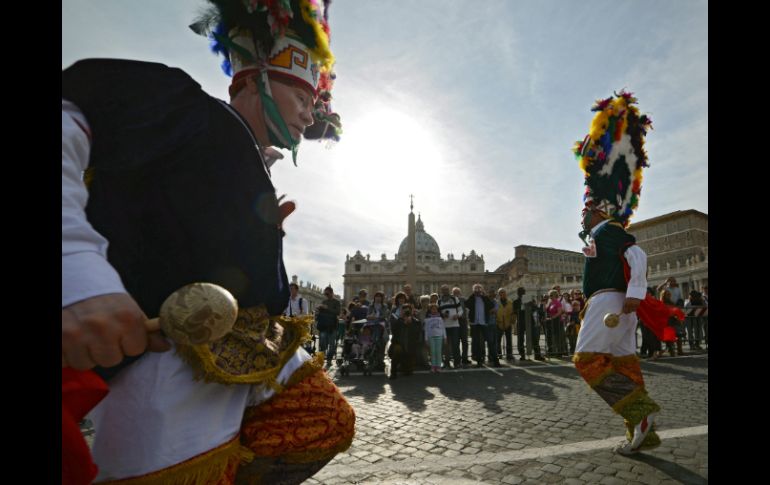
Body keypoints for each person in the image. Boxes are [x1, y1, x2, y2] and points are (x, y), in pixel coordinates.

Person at [62, 1, 352, 482]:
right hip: (166, 364)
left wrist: (256, 235)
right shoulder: (184, 106)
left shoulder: (245, 157)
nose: (310, 115)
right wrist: (76, 269)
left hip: (249, 347)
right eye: (302, 99)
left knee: (323, 420)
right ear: (256, 79)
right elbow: (70, 113)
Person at [572, 91, 665, 456]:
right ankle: (642, 432)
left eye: (585, 209)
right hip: (619, 305)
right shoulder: (601, 231)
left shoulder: (607, 229)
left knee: (587, 361)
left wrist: (634, 295)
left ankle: (640, 415)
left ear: (597, 209)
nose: (581, 214)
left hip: (610, 301)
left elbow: (635, 252)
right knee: (624, 365)